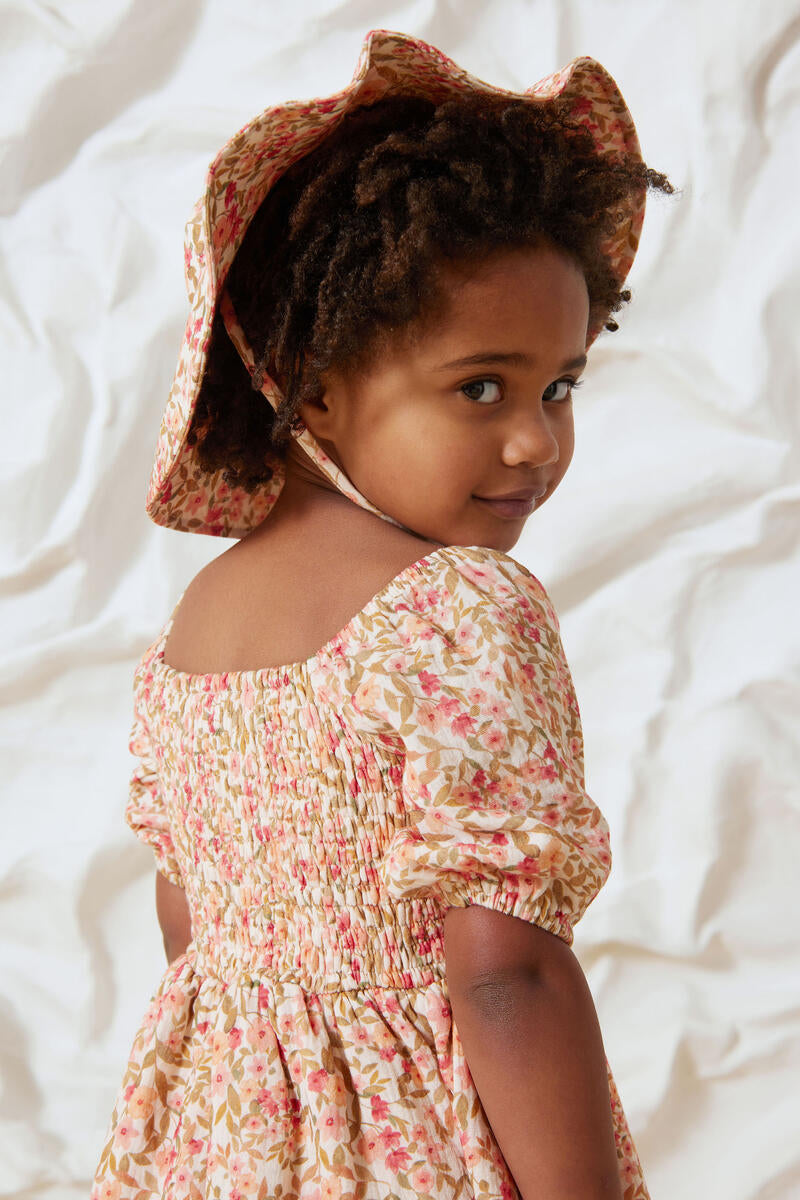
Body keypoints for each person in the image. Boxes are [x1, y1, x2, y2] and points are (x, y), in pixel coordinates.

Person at [91, 28, 673, 1200]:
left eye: (558, 386)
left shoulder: (196, 624)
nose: (534, 441)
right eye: (480, 387)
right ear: (314, 386)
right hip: (419, 1149)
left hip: (221, 1150)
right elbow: (503, 968)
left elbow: (185, 919)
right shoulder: (459, 607)